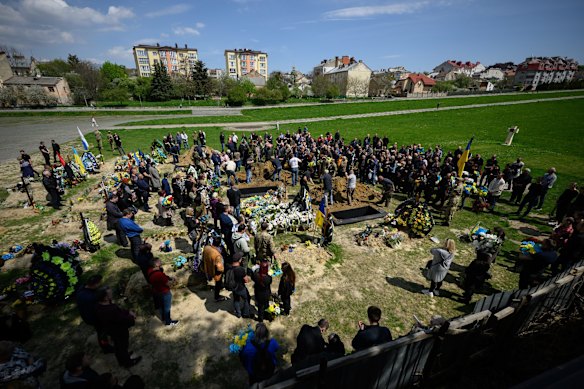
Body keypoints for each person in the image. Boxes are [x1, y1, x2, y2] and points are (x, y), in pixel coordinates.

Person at [94, 286, 141, 368]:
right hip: (119, 331)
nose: (111, 294)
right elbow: (122, 319)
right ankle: (128, 362)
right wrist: (131, 317)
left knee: (118, 346)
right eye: (110, 293)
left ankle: (122, 359)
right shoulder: (110, 310)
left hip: (112, 330)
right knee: (122, 346)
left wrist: (128, 311)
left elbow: (119, 312)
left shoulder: (100, 306)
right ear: (105, 298)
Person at [76, 275, 114, 353]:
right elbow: (101, 304)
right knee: (102, 332)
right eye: (99, 283)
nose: (100, 284)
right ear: (94, 284)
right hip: (94, 318)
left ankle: (111, 335)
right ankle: (106, 347)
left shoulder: (83, 289)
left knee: (106, 328)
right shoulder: (90, 297)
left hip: (91, 315)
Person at [147, 258, 179, 326]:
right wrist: (174, 280)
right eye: (159, 261)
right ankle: (168, 322)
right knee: (167, 308)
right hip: (164, 292)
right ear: (156, 264)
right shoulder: (159, 275)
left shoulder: (149, 270)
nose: (161, 261)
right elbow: (169, 284)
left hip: (156, 291)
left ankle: (163, 318)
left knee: (161, 306)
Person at [203, 237, 228, 302]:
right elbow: (220, 268)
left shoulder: (207, 248)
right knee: (218, 283)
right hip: (216, 271)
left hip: (209, 267)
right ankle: (217, 296)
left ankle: (220, 286)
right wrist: (223, 270)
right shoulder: (217, 255)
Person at [230, 252, 253, 318]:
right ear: (239, 260)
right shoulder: (240, 269)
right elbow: (246, 280)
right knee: (247, 298)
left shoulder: (229, 267)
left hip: (233, 288)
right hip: (240, 288)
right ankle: (245, 313)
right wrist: (249, 277)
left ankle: (238, 313)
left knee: (236, 299)